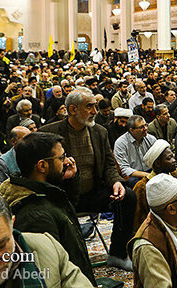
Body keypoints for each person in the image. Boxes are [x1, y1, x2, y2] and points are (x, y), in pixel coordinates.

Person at [41, 87, 137, 271]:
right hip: (64, 195)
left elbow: (109, 165)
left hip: (93, 191)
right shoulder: (49, 134)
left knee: (128, 197)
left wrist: (116, 182)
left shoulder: (100, 132)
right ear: (73, 110)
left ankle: (117, 254)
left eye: (95, 106)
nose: (95, 111)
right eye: (89, 107)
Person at [0, 131, 96, 284]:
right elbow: (51, 276)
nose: (67, 161)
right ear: (42, 165)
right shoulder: (35, 215)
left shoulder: (41, 192)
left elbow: (66, 212)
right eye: (61, 158)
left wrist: (69, 180)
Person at [114, 114, 157, 188]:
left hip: (151, 170)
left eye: (146, 125)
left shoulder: (151, 139)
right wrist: (147, 175)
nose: (146, 128)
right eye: (141, 127)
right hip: (134, 175)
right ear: (132, 130)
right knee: (133, 182)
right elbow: (124, 169)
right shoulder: (121, 143)